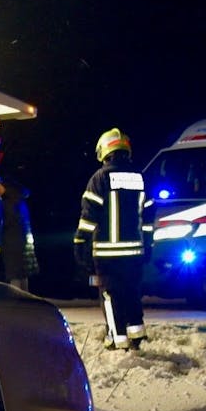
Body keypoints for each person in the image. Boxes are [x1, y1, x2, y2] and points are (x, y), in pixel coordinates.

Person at [74, 128, 147, 349]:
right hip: (135, 252)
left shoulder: (100, 178)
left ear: (104, 151)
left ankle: (117, 339)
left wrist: (80, 243)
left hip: (107, 254)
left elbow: (89, 216)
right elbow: (149, 216)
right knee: (132, 291)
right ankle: (136, 335)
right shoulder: (139, 177)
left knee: (110, 295)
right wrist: (148, 245)